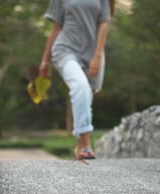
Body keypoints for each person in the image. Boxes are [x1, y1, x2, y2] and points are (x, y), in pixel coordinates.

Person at [40, 0, 113, 160]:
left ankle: (79, 145)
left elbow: (104, 24)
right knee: (81, 86)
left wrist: (98, 55)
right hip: (65, 49)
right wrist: (45, 61)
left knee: (87, 97)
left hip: (93, 52)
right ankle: (86, 144)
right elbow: (56, 28)